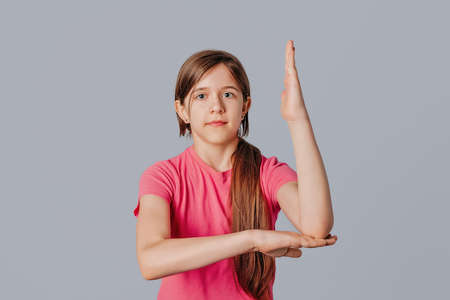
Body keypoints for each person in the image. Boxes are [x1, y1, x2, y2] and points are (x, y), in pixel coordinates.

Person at [133, 40, 337, 300]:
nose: (216, 106)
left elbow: (317, 226)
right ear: (182, 110)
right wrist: (251, 239)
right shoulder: (162, 177)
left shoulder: (267, 172)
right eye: (201, 96)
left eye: (228, 94)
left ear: (245, 106)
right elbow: (151, 260)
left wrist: (297, 118)